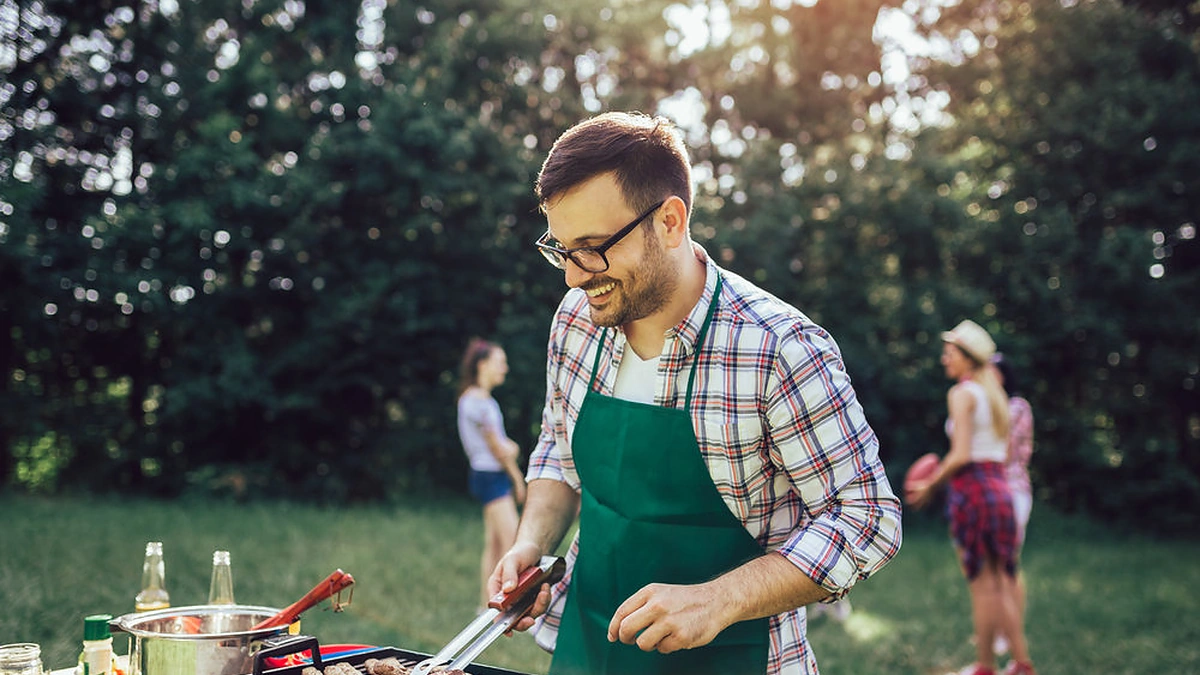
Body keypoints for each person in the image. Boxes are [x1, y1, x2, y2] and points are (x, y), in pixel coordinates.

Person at [488, 111, 902, 675]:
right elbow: (558, 457)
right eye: (561, 249)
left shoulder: (777, 348)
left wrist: (718, 599)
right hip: (590, 649)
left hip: (738, 658)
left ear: (670, 221)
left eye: (592, 247)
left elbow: (868, 518)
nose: (573, 276)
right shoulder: (576, 322)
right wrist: (531, 546)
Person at [909, 321, 1036, 675]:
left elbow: (962, 453)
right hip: (1001, 490)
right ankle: (1021, 663)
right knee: (1003, 582)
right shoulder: (995, 394)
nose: (944, 359)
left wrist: (931, 485)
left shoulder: (962, 393)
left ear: (968, 357)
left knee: (982, 587)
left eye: (950, 353)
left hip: (974, 490)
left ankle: (985, 666)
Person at [457, 338, 528, 609]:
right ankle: (514, 606)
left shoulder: (481, 401)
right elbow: (498, 448)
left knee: (496, 545)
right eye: (500, 362)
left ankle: (485, 606)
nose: (505, 368)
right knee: (514, 543)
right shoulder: (476, 402)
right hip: (491, 477)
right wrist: (518, 479)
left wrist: (509, 448)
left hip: (489, 476)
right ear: (482, 365)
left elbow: (499, 443)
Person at [990, 352, 1034, 658]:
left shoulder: (1016, 406)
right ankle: (996, 629)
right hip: (992, 492)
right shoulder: (989, 405)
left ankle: (1010, 634)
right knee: (992, 568)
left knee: (1006, 566)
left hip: (1012, 491)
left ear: (1003, 376)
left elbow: (1003, 453)